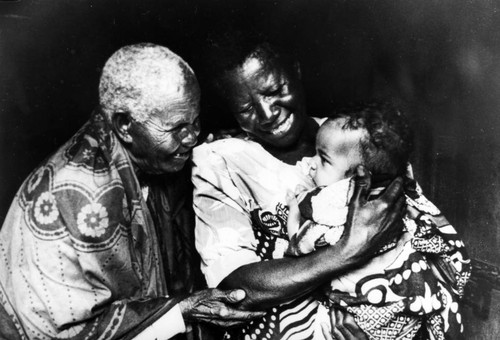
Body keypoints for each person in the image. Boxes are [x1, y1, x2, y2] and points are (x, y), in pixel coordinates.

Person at [0, 43, 269, 340]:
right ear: (125, 126)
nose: (192, 137)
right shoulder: (83, 197)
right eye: (177, 127)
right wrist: (184, 310)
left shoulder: (143, 156)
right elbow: (70, 332)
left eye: (194, 121)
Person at [192, 34, 408, 340]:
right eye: (245, 109)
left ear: (296, 71)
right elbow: (234, 290)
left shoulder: (356, 138)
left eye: (275, 90)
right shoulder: (221, 160)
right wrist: (346, 252)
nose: (267, 116)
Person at [285, 103, 471, 339]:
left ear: (357, 178)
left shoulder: (330, 207)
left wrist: (294, 212)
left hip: (366, 316)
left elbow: (298, 252)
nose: (311, 163)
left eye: (323, 159)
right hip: (408, 307)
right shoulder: (401, 195)